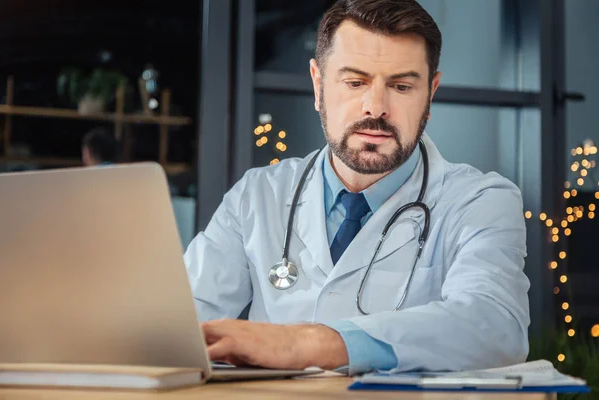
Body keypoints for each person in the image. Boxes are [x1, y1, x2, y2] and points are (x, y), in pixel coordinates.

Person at [184, 0, 530, 375]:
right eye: (355, 82)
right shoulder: (257, 195)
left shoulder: (480, 201)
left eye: (400, 86)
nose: (376, 107)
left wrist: (306, 344)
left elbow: (495, 325)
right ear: (318, 84)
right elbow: (180, 320)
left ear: (430, 93)